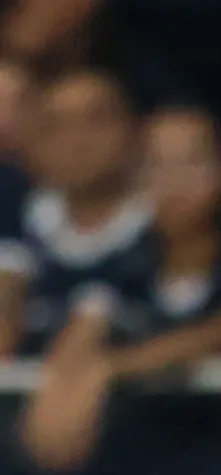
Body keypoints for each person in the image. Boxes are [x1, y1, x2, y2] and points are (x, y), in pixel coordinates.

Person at [19, 101, 221, 471]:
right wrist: (66, 381)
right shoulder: (120, 271)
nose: (175, 183)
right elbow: (83, 333)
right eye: (156, 165)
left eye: (193, 163)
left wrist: (116, 368)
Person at [0, 64, 153, 357]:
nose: (78, 142)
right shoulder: (15, 225)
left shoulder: (168, 227)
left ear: (135, 130)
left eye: (96, 121)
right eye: (56, 126)